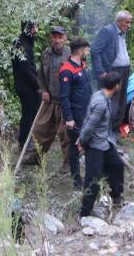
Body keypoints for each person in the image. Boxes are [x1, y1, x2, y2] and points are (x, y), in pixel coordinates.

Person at [77, 72, 125, 217]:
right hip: (95, 145)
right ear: (116, 86)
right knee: (93, 179)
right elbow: (90, 124)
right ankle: (85, 212)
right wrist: (82, 142)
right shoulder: (101, 103)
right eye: (120, 85)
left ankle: (116, 196)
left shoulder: (100, 95)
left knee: (117, 165)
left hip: (105, 141)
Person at [22, 26, 70, 166]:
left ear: (65, 39)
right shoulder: (46, 54)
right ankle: (36, 157)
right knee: (39, 129)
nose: (56, 40)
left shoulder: (70, 55)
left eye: (60, 37)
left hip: (65, 102)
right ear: (51, 38)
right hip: (49, 101)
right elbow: (41, 75)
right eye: (54, 37)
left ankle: (68, 163)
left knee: (65, 134)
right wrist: (43, 90)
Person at [60, 37, 93, 189]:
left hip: (88, 113)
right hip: (76, 116)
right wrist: (69, 118)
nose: (88, 52)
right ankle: (76, 181)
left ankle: (92, 175)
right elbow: (64, 96)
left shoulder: (83, 66)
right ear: (80, 50)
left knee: (90, 143)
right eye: (86, 49)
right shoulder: (66, 70)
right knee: (75, 146)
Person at [91, 10, 133, 127]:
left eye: (130, 23)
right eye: (127, 22)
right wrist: (101, 72)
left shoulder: (123, 33)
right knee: (111, 101)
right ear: (118, 21)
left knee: (122, 100)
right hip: (112, 72)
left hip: (124, 71)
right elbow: (95, 50)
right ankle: (106, 130)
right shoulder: (108, 31)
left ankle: (115, 130)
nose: (129, 26)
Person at [12, 21, 40, 147]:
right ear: (26, 28)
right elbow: (26, 70)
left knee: (31, 112)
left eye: (37, 27)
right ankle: (24, 141)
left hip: (27, 84)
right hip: (26, 86)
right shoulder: (21, 44)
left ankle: (27, 139)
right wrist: (38, 85)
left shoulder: (25, 42)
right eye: (33, 27)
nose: (36, 31)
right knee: (28, 114)